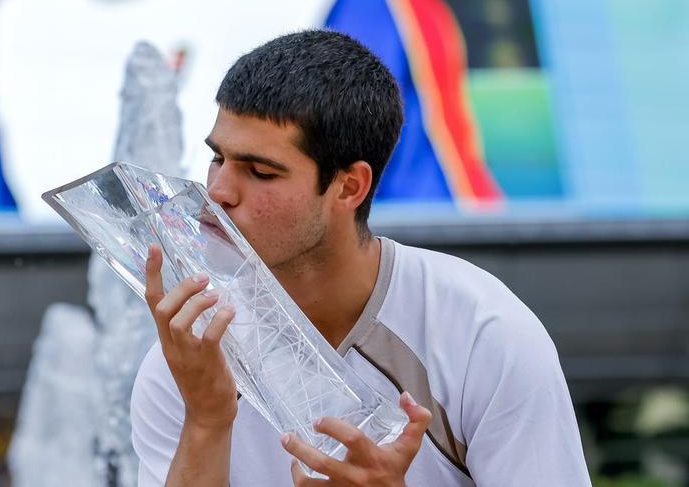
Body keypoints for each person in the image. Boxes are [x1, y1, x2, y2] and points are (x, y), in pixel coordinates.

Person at [131, 30, 591, 487]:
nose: (218, 192)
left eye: (260, 172)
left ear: (350, 186)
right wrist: (207, 421)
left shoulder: (481, 333)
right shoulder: (186, 364)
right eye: (217, 158)